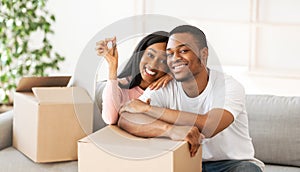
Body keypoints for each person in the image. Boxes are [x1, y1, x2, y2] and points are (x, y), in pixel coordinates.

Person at [118, 25, 264, 172]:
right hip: (186, 162)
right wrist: (170, 130)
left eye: (183, 51)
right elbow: (126, 119)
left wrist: (149, 109)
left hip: (230, 165)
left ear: (204, 54)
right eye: (170, 54)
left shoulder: (228, 86)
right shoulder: (163, 86)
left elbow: (209, 126)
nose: (175, 59)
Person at [95, 31, 173, 125]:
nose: (153, 65)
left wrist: (173, 75)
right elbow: (110, 119)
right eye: (150, 55)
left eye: (163, 61)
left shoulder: (168, 89)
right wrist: (112, 66)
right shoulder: (120, 86)